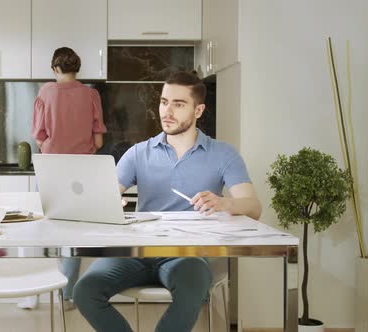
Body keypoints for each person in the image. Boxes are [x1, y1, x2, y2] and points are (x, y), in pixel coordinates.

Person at [73, 71, 262, 332]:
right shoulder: (138, 152)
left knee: (195, 283)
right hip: (135, 251)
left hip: (186, 255)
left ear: (199, 110)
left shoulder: (224, 155)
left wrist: (224, 203)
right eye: (164, 102)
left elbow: (253, 207)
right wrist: (107, 202)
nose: (167, 111)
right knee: (84, 290)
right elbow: (105, 195)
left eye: (178, 104)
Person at [19, 47, 107, 310]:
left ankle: (32, 292)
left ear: (55, 69)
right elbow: (99, 140)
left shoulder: (46, 92)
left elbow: (39, 135)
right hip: (82, 171)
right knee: (73, 234)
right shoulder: (91, 94)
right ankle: (66, 296)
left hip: (51, 169)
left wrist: (51, 143)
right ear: (76, 68)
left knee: (40, 230)